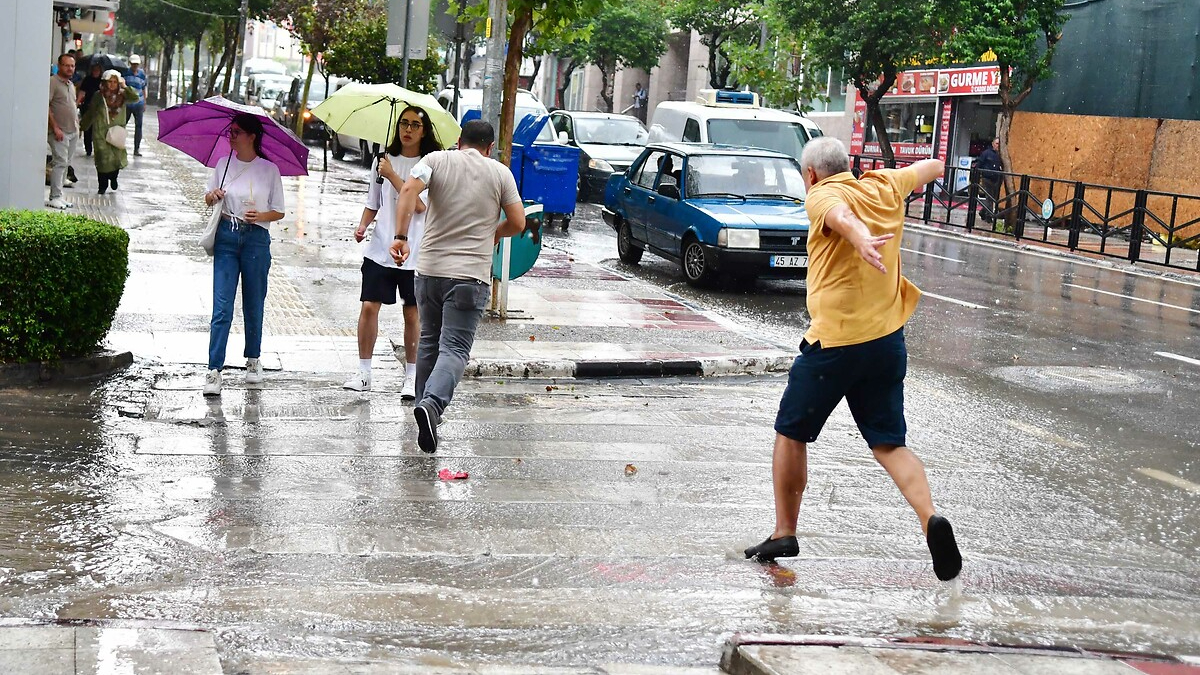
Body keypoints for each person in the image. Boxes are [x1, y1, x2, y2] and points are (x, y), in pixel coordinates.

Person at [744, 137, 963, 583]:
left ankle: (784, 532)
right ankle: (931, 519)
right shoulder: (884, 185)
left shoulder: (821, 194)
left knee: (791, 432)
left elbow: (839, 217)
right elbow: (932, 167)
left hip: (834, 345)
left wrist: (861, 237)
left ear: (810, 174)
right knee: (889, 444)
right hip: (886, 342)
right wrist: (936, 165)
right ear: (848, 165)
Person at [388, 120, 526, 453]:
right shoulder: (500, 173)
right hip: (469, 277)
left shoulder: (435, 160)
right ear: (490, 148)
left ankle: (425, 411)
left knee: (429, 341)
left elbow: (407, 191)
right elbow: (519, 222)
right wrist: (495, 233)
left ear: (460, 140)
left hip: (429, 272)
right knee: (454, 349)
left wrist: (401, 237)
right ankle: (432, 405)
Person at [344, 107, 442, 397]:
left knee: (412, 314)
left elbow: (420, 205)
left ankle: (411, 376)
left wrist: (392, 175)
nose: (407, 129)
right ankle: (364, 372)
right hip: (380, 248)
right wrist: (363, 225)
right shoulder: (382, 160)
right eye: (403, 123)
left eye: (415, 125)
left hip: (415, 251)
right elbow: (373, 202)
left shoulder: (428, 164)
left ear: (424, 131)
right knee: (368, 307)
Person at [201, 113, 286, 397]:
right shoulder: (223, 164)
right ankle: (214, 369)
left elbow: (279, 210)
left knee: (253, 302)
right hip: (227, 235)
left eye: (237, 132)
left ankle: (253, 359)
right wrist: (213, 195)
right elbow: (207, 197)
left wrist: (260, 215)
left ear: (252, 136)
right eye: (231, 131)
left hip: (256, 240)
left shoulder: (269, 170)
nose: (232, 136)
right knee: (222, 306)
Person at [81, 70, 138, 195]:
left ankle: (113, 177)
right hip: (101, 131)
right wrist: (83, 126)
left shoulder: (123, 95)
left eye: (115, 82)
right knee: (102, 158)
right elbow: (91, 111)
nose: (112, 84)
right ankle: (102, 184)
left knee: (115, 158)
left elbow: (135, 97)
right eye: (109, 81)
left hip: (117, 131)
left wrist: (125, 86)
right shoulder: (98, 95)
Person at [47, 53, 79, 210]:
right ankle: (54, 196)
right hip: (59, 132)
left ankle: (59, 195)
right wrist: (55, 127)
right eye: (66, 65)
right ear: (59, 66)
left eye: (72, 66)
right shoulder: (53, 82)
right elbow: (46, 106)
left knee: (66, 163)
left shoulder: (71, 84)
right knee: (59, 163)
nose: (70, 68)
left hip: (72, 131)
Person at [78, 61, 103, 157]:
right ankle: (88, 148)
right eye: (94, 70)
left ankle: (97, 148)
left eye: (97, 70)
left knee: (98, 129)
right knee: (87, 128)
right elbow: (82, 92)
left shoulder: (102, 81)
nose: (96, 72)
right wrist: (77, 102)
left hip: (99, 107)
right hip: (88, 106)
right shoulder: (87, 79)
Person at [975, 137, 1003, 224]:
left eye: (999, 144)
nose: (998, 146)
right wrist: (978, 173)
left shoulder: (1000, 155)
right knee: (989, 198)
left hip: (996, 179)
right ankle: (988, 216)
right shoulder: (986, 153)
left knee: (992, 198)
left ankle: (983, 211)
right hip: (987, 178)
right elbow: (979, 164)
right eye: (997, 143)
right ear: (993, 144)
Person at [125, 54, 148, 156]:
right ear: (130, 63)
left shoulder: (142, 74)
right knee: (122, 124)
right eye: (133, 64)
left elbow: (143, 88)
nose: (135, 66)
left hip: (139, 103)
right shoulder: (125, 73)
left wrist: (144, 102)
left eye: (136, 64)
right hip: (127, 103)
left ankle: (136, 148)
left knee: (138, 126)